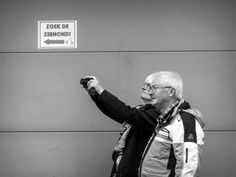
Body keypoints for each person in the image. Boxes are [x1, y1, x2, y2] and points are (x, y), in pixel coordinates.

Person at [81, 71, 205, 177]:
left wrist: (101, 91)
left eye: (152, 87)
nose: (148, 90)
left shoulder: (171, 118)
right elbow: (120, 115)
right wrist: (96, 96)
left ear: (171, 92)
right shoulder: (160, 115)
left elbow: (188, 167)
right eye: (147, 86)